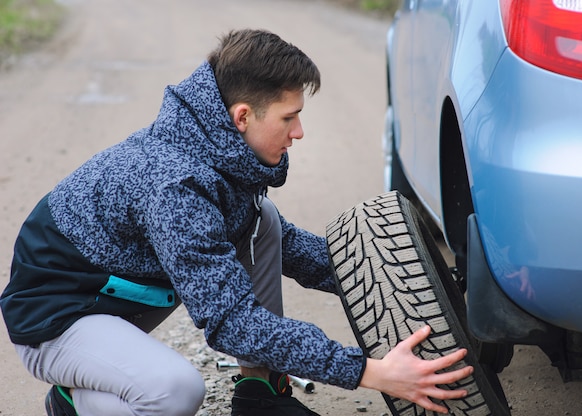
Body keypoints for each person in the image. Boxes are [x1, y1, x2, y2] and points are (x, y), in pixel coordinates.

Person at [0, 29, 473, 416]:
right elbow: (230, 323)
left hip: (121, 298)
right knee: (175, 391)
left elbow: (289, 248)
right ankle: (69, 400)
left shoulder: (221, 154)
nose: (299, 132)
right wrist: (368, 371)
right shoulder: (176, 186)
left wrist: (404, 283)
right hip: (59, 318)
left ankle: (260, 393)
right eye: (290, 118)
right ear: (242, 116)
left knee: (262, 220)